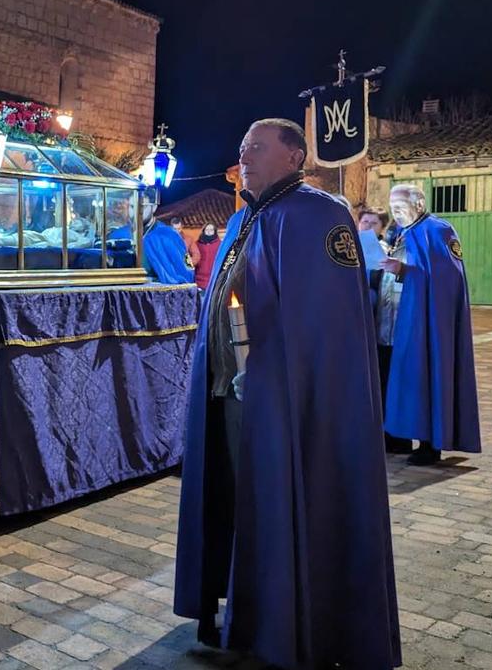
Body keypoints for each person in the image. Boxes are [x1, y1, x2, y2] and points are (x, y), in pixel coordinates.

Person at [175, 119, 400, 670]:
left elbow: (330, 323)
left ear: (295, 156)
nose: (243, 154)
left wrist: (285, 378)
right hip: (230, 392)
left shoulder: (321, 217)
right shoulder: (239, 221)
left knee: (282, 500)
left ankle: (289, 616)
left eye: (256, 147)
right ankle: (242, 606)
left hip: (287, 401)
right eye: (242, 145)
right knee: (235, 501)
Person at [379, 184, 480, 466]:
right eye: (393, 209)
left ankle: (429, 443)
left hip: (427, 319)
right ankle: (400, 437)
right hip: (397, 317)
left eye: (401, 208)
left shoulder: (439, 231)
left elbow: (449, 278)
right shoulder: (402, 233)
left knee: (428, 373)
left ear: (419, 204)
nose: (396, 214)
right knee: (405, 379)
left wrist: (404, 271)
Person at [108, 189, 194, 284]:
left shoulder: (169, 235)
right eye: (132, 206)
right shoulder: (118, 235)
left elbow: (188, 269)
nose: (136, 211)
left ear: (154, 207)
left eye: (142, 207)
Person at [189, 222, 222, 291]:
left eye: (211, 230)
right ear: (203, 231)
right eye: (207, 230)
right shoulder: (196, 244)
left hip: (214, 279)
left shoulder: (220, 245)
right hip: (198, 279)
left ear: (215, 232)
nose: (209, 232)